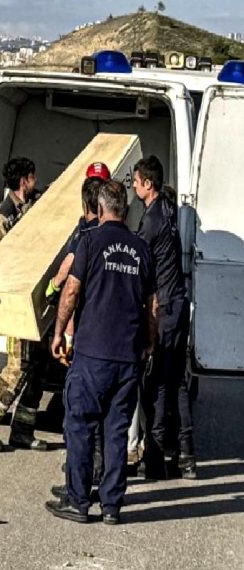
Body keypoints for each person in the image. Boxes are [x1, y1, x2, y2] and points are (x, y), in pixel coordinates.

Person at [47, 180, 157, 525]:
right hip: (127, 355)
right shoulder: (140, 248)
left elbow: (71, 290)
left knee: (79, 424)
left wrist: (58, 331)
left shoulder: (90, 241)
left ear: (99, 207)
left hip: (92, 353)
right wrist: (150, 342)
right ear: (124, 209)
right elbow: (153, 304)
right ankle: (111, 505)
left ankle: (79, 500)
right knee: (116, 429)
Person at [0, 157, 48, 452]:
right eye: (33, 178)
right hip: (16, 305)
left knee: (36, 368)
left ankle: (23, 431)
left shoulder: (27, 206)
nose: (36, 182)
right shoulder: (4, 217)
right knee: (18, 366)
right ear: (24, 180)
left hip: (32, 302)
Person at [46, 164, 110, 501]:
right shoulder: (117, 234)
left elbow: (69, 281)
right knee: (100, 413)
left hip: (83, 332)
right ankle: (93, 475)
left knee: (80, 412)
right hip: (106, 334)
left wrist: (53, 289)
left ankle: (80, 480)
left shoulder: (84, 235)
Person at [132, 155, 196, 480]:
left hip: (166, 309)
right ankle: (187, 457)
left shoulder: (152, 219)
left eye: (136, 180)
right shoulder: (170, 209)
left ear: (148, 184)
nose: (133, 185)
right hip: (180, 304)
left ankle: (154, 460)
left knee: (155, 383)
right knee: (178, 384)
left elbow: (141, 263)